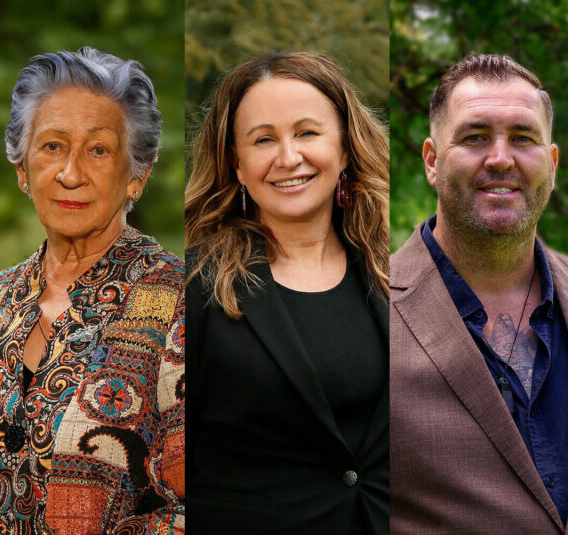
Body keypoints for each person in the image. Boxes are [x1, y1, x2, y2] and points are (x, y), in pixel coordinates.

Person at [0, 47, 184, 533]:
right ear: (21, 169)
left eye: (98, 150)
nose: (71, 173)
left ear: (138, 174)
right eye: (52, 146)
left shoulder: (182, 304)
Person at [185, 52, 390, 533]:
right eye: (263, 140)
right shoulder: (193, 287)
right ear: (237, 165)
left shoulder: (391, 271)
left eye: (307, 132)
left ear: (344, 148)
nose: (288, 157)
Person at [389, 54, 568, 533]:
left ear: (552, 162)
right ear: (432, 161)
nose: (500, 158)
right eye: (475, 136)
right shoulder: (365, 305)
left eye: (522, 138)